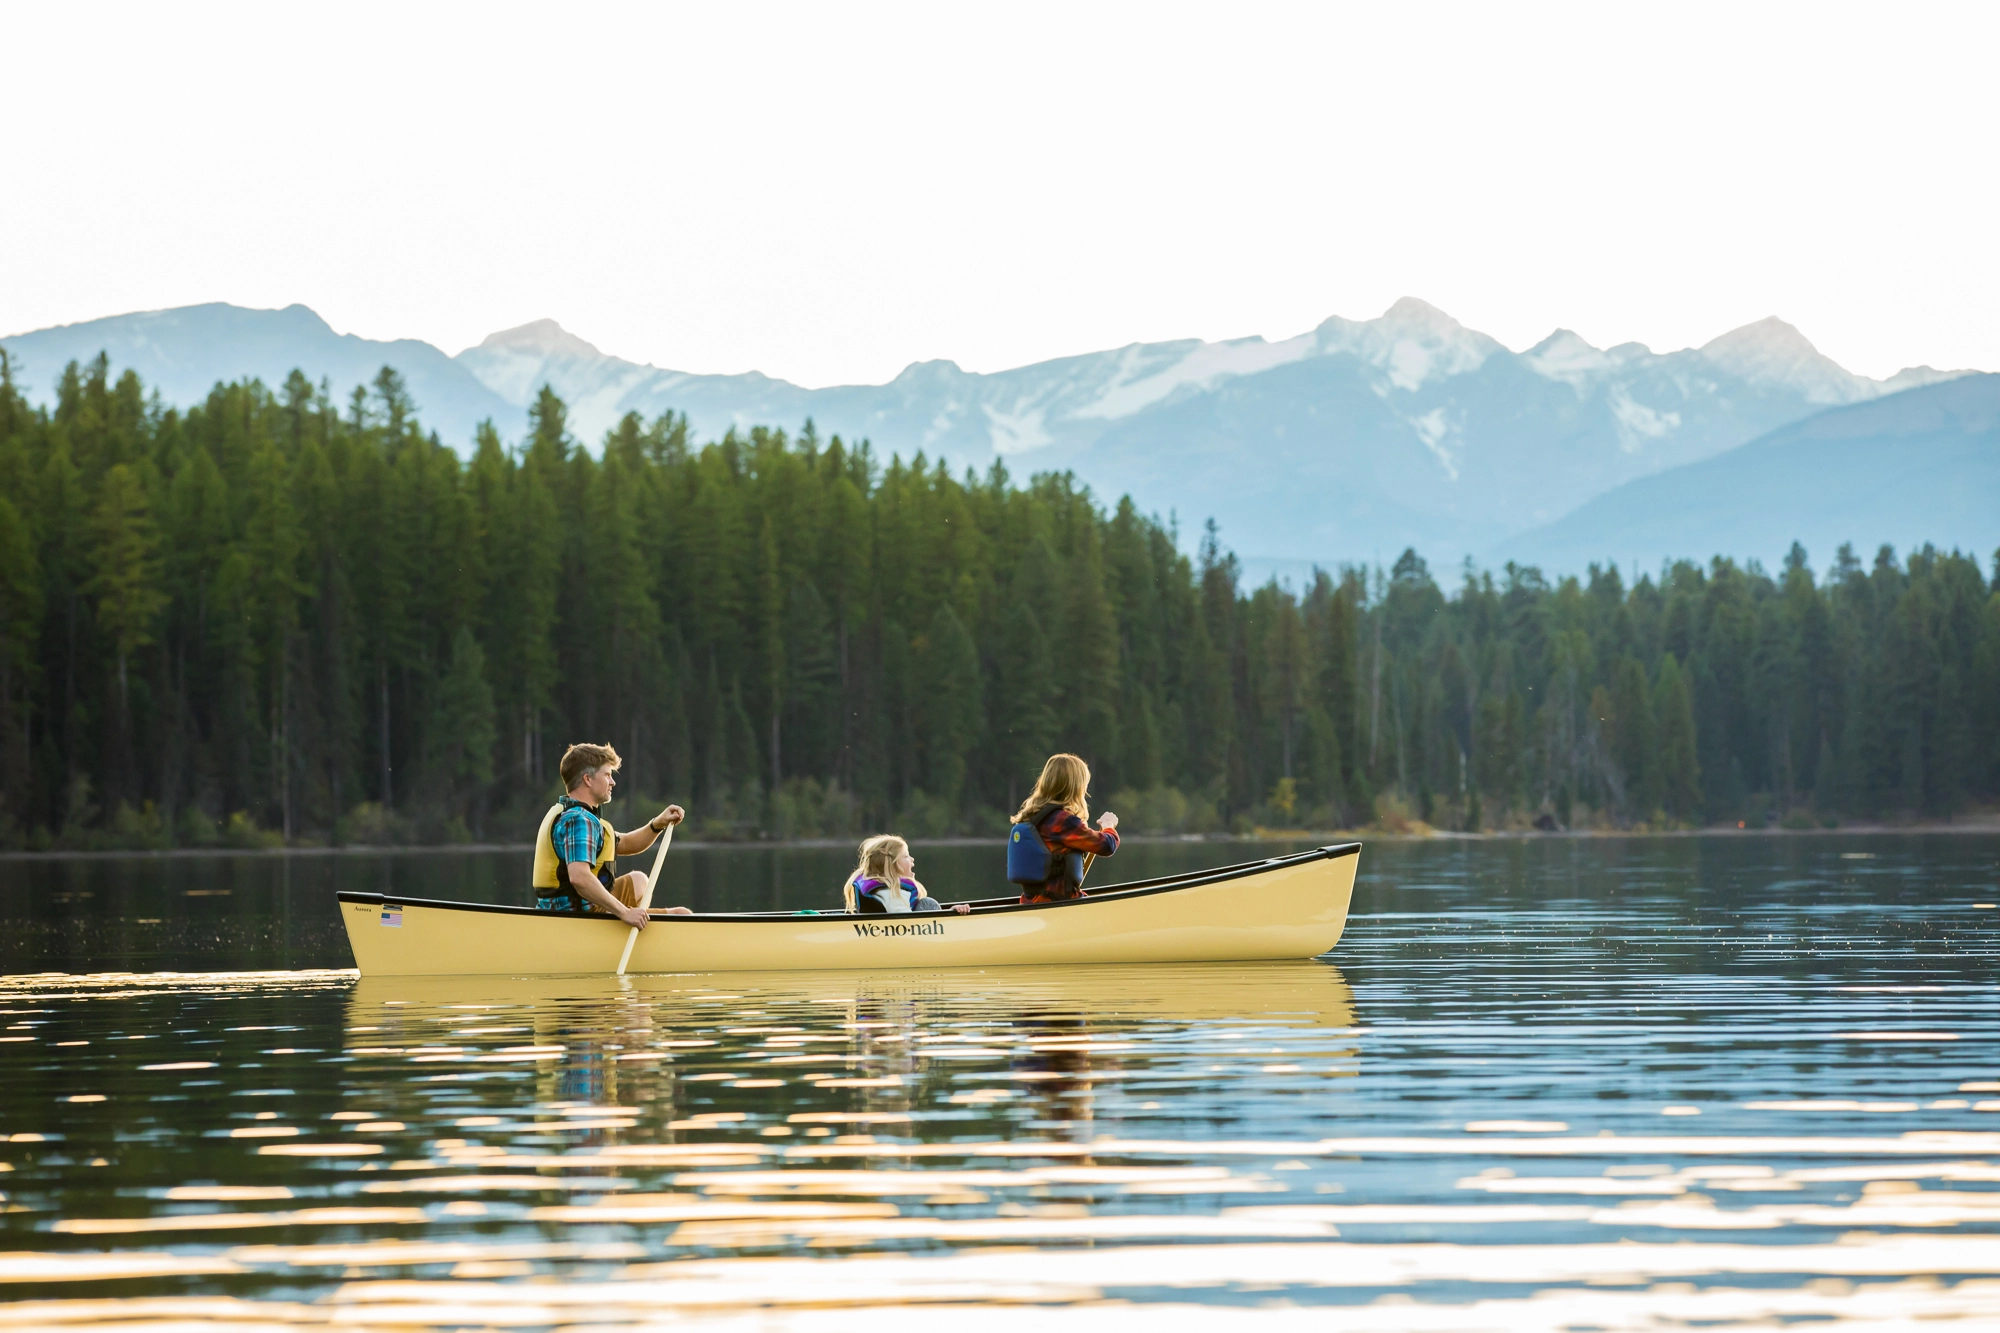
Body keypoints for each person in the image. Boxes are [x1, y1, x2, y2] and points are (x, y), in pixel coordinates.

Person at [531, 742, 691, 927]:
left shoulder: (574, 814)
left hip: (578, 909)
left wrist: (657, 824)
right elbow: (579, 877)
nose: (613, 782)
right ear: (588, 780)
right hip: (575, 917)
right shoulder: (579, 820)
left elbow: (627, 843)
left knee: (638, 880)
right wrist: (625, 913)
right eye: (607, 775)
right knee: (682, 914)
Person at [1010, 753, 1118, 904]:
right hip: (1057, 903)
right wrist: (1108, 826)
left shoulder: (1031, 817)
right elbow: (1107, 846)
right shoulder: (1064, 822)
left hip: (1030, 902)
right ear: (1076, 787)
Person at [841, 835, 971, 915]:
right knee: (928, 903)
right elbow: (906, 923)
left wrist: (950, 911)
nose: (912, 859)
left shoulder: (883, 890)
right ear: (892, 865)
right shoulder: (893, 893)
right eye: (906, 856)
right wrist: (948, 917)